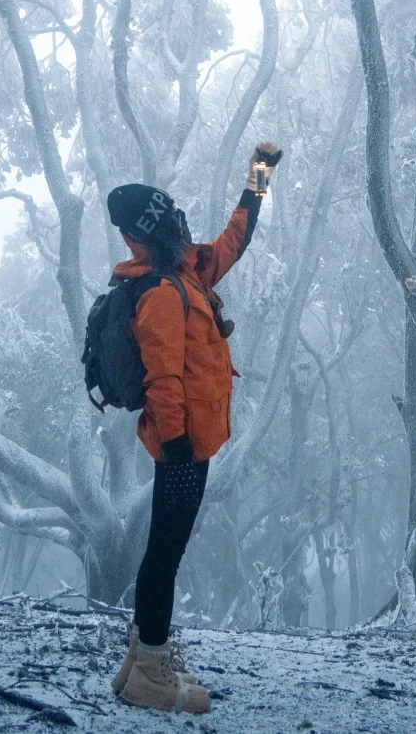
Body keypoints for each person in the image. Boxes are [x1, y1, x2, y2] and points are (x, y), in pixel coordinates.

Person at [105, 144, 279, 714]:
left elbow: (234, 241)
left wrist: (258, 177)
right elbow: (163, 382)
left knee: (165, 550)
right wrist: (178, 450)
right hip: (182, 446)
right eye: (170, 216)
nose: (180, 220)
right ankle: (151, 673)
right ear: (148, 231)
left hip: (194, 441)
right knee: (165, 554)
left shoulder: (187, 272)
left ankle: (141, 658)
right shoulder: (160, 293)